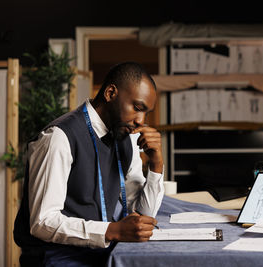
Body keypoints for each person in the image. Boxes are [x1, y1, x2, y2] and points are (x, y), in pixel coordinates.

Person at [14, 61, 165, 266]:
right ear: (111, 93)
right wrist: (113, 230)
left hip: (100, 251)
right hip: (55, 257)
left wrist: (156, 165)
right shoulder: (59, 137)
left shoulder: (127, 138)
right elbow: (43, 222)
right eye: (137, 108)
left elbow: (142, 217)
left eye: (145, 112)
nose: (141, 120)